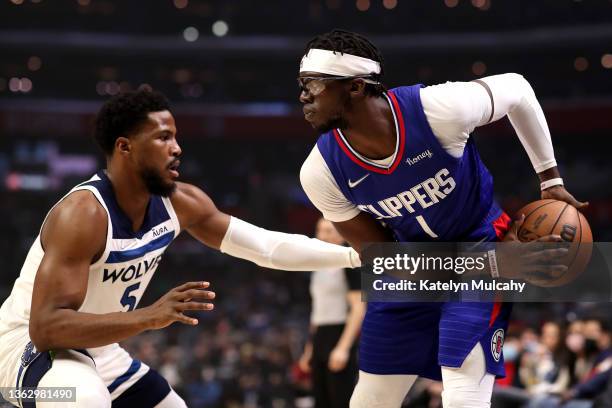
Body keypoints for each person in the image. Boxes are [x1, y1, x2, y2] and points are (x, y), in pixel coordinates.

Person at [0, 90, 361, 408]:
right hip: (27, 354)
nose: (177, 148)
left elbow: (267, 247)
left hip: (99, 350)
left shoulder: (181, 202)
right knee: (84, 399)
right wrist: (149, 316)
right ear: (125, 147)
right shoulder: (83, 214)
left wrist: (355, 254)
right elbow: (46, 328)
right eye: (164, 137)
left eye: (176, 137)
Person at [298, 29, 587, 407]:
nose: (303, 94)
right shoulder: (320, 172)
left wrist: (550, 180)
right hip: (414, 265)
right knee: (370, 400)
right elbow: (385, 258)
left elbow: (516, 89)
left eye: (314, 84)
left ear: (354, 87)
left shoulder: (436, 110)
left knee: (463, 392)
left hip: (482, 242)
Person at [298, 218, 365, 407]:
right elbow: (317, 310)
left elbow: (359, 308)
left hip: (340, 333)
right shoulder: (317, 266)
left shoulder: (351, 262)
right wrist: (310, 348)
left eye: (329, 231)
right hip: (320, 335)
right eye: (320, 230)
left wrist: (343, 348)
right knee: (320, 398)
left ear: (342, 234)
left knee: (340, 398)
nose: (323, 235)